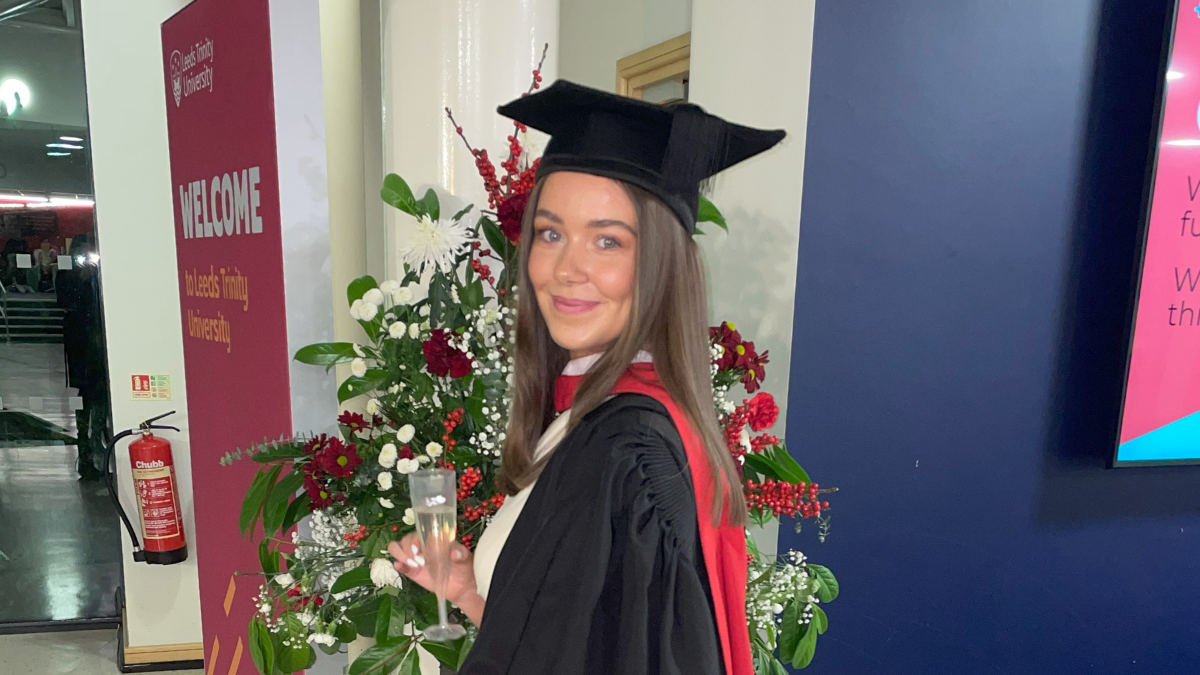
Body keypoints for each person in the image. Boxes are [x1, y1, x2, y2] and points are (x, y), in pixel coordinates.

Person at [389, 80, 785, 674]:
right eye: (551, 233)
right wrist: (472, 594)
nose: (566, 268)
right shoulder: (599, 415)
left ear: (660, 264)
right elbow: (576, 643)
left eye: (607, 240)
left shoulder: (624, 451)